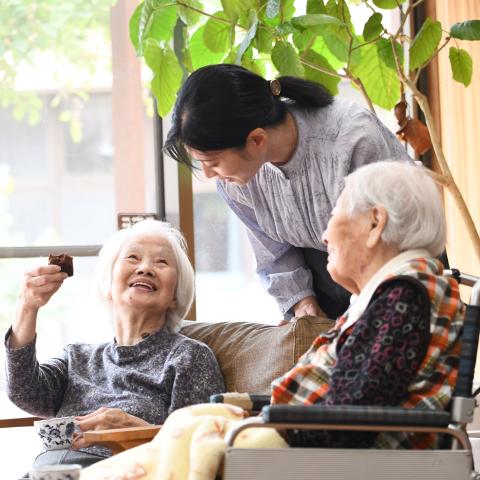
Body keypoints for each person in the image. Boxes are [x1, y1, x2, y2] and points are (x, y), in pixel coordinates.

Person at [78, 161, 465, 480]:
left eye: (333, 214)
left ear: (375, 223)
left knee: (198, 432)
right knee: (195, 422)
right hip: (320, 438)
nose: (324, 235)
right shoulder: (404, 289)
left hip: (341, 453)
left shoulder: (403, 295)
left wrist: (270, 419)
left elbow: (357, 409)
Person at [164, 64, 412, 321]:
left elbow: (394, 236)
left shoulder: (352, 138)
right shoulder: (235, 182)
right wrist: (303, 303)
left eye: (213, 162)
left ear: (257, 140)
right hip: (325, 278)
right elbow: (272, 250)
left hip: (397, 268)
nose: (208, 175)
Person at [5, 219, 225, 472]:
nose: (145, 268)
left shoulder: (189, 357)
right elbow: (25, 393)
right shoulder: (77, 357)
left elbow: (201, 451)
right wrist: (27, 307)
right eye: (133, 257)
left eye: (161, 262)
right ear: (108, 285)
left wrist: (136, 431)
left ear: (176, 295)